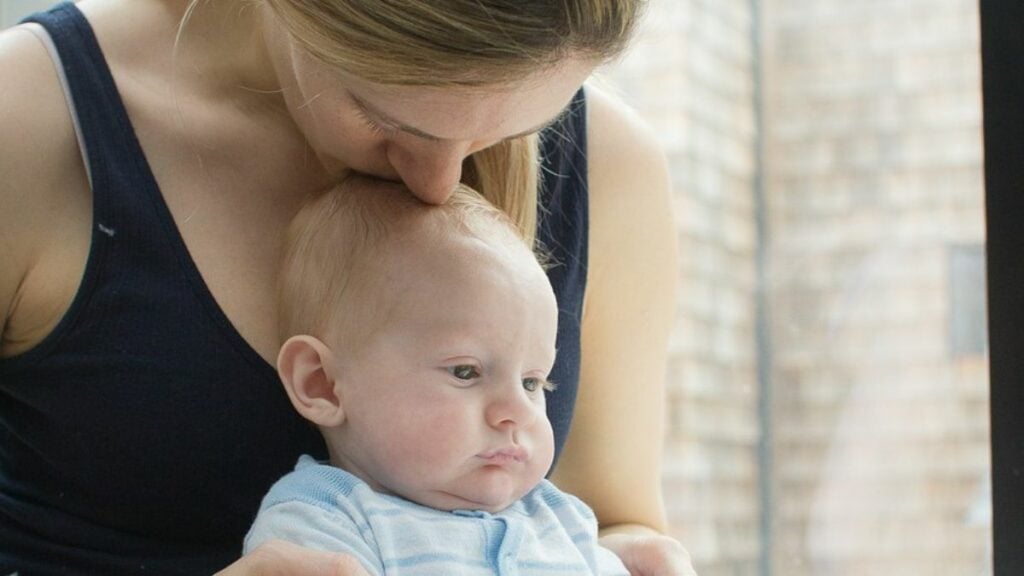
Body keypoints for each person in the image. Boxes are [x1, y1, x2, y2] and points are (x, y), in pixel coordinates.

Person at [0, 1, 692, 575]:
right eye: (386, 118)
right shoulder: (26, 125)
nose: (438, 184)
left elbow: (609, 515)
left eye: (519, 129)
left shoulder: (612, 166)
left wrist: (632, 555)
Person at [243, 176, 630, 575]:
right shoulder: (322, 524)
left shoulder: (561, 521)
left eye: (532, 382)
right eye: (466, 371)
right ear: (322, 384)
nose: (517, 411)